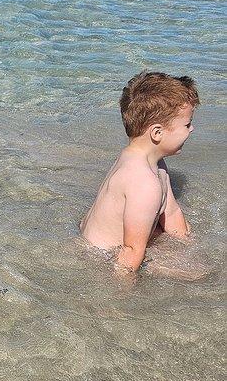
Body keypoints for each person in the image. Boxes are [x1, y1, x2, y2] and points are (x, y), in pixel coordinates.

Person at [80, 71, 199, 275]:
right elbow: (131, 251)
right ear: (157, 133)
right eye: (187, 124)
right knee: (197, 275)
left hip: (106, 241)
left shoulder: (146, 160)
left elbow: (170, 212)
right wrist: (124, 297)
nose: (192, 129)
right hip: (102, 257)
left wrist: (190, 246)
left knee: (190, 262)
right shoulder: (143, 182)